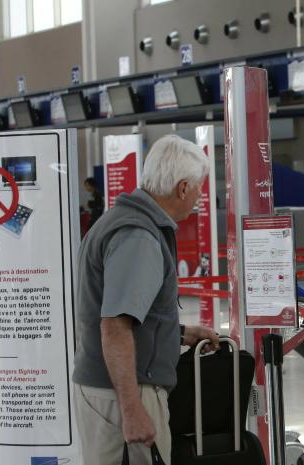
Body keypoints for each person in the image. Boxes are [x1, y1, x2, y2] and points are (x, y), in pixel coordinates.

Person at [72, 135, 220, 465]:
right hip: (125, 391)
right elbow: (114, 326)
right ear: (183, 188)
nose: (199, 196)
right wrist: (132, 409)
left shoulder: (119, 221)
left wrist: (179, 333)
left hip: (111, 387)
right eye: (198, 187)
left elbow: (123, 312)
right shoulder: (138, 236)